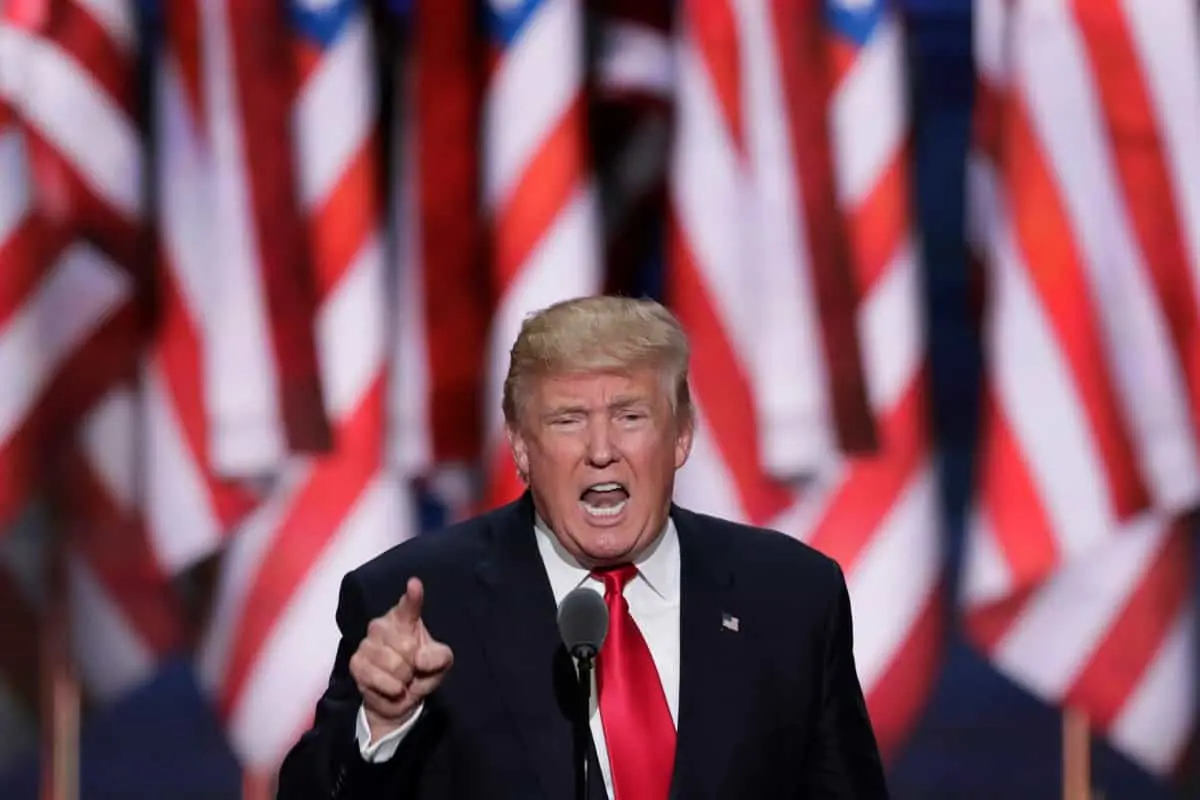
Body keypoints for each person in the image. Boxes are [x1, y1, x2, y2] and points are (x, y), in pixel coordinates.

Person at [276, 295, 888, 799]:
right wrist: (382, 724)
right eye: (568, 419)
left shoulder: (790, 598)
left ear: (680, 436)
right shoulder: (419, 604)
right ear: (519, 446)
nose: (601, 449)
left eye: (630, 416)